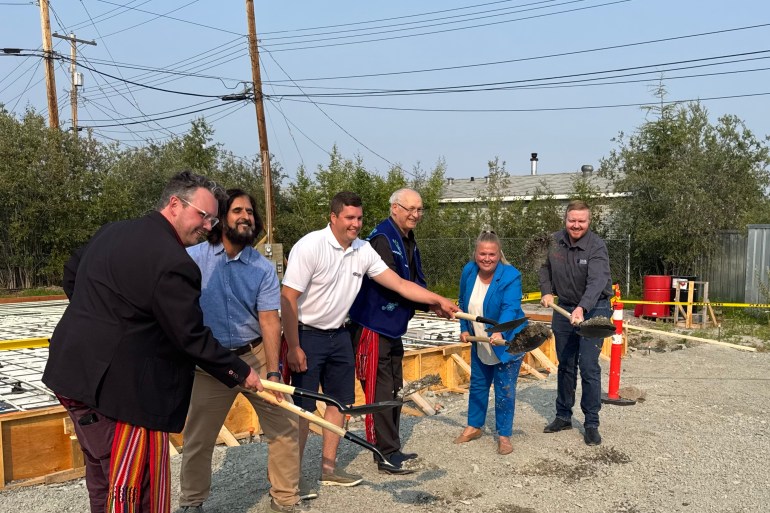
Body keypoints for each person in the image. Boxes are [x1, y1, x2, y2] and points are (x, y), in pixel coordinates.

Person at [42, 171, 263, 513]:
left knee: (102, 475)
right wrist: (240, 372)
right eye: (202, 216)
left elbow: (73, 271)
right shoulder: (175, 263)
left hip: (71, 374)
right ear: (174, 204)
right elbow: (189, 337)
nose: (208, 226)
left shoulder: (114, 231)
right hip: (116, 393)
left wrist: (105, 318)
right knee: (132, 486)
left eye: (213, 219)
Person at [280, 191, 459, 493]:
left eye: (359, 218)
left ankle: (328, 469)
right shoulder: (310, 246)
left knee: (339, 403)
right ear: (333, 217)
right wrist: (295, 346)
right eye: (349, 217)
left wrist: (437, 300)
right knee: (303, 409)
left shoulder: (362, 250)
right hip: (307, 334)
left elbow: (400, 284)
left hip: (339, 335)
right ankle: (291, 480)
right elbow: (288, 297)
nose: (355, 224)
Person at [177, 189, 307, 513]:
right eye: (237, 210)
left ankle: (285, 500)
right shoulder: (194, 260)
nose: (246, 216)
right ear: (221, 218)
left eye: (250, 211)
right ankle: (192, 503)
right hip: (210, 364)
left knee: (286, 428)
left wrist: (274, 371)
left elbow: (268, 320)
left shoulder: (262, 268)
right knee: (197, 440)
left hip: (255, 357)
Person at [348, 188, 430, 475]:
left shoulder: (407, 238)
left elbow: (417, 279)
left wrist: (436, 303)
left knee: (395, 385)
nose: (415, 214)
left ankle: (392, 448)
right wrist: (433, 301)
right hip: (373, 326)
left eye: (419, 210)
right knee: (378, 389)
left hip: (393, 326)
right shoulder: (382, 239)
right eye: (409, 209)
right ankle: (382, 453)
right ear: (394, 208)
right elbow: (394, 284)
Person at [538, 199, 612, 446]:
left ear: (588, 222)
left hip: (594, 308)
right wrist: (547, 291)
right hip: (564, 307)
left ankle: (591, 422)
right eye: (572, 220)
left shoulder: (597, 246)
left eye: (581, 221)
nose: (576, 225)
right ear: (565, 219)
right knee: (566, 363)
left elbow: (597, 282)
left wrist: (582, 308)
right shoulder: (554, 241)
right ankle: (563, 416)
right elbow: (544, 267)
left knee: (589, 366)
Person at [454, 230, 528, 455]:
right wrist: (464, 329)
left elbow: (510, 308)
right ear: (475, 253)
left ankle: (504, 435)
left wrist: (500, 333)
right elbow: (463, 303)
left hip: (508, 341)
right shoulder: (469, 271)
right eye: (482, 254)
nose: (487, 258)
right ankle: (474, 426)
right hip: (480, 340)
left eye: (492, 254)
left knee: (504, 388)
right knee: (478, 384)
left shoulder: (510, 276)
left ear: (499, 254)